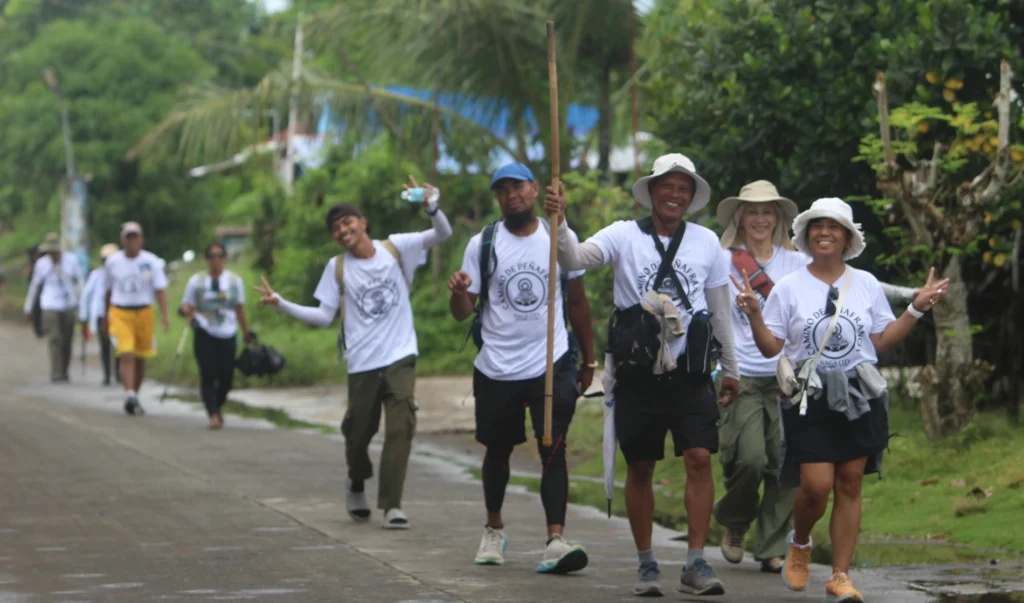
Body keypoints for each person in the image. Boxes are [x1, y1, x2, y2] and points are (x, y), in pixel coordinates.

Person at [733, 197, 947, 602]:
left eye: (833, 227)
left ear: (847, 238)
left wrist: (916, 310)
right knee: (816, 487)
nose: (824, 233)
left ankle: (841, 576)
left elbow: (881, 341)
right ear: (806, 235)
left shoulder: (864, 283)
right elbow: (770, 348)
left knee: (849, 484)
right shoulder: (789, 287)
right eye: (817, 226)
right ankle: (800, 540)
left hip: (859, 395)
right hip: (809, 397)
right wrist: (755, 316)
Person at [545, 153, 739, 597]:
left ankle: (695, 563)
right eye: (666, 186)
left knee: (700, 457)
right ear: (651, 192)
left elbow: (719, 308)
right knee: (641, 465)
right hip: (637, 371)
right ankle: (647, 564)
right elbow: (572, 257)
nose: (674, 195)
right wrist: (561, 219)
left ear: (691, 197)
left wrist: (730, 368)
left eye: (683, 188)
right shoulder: (623, 235)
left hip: (691, 371)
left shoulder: (707, 242)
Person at [255, 176, 452, 529]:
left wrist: (431, 207)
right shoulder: (338, 267)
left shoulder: (396, 247)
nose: (342, 231)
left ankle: (391, 505)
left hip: (401, 356)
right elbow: (323, 315)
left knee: (400, 428)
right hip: (362, 362)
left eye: (347, 222)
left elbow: (443, 233)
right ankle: (356, 480)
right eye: (335, 228)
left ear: (363, 222)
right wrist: (281, 303)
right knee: (357, 434)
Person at [447, 162, 596, 574]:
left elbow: (578, 301)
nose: (511, 195)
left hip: (550, 362)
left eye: (518, 187)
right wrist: (459, 293)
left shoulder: (558, 235)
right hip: (497, 366)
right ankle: (494, 529)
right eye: (502, 190)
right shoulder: (483, 243)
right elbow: (462, 312)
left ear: (534, 189)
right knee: (498, 450)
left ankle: (555, 539)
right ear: (497, 197)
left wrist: (589, 359)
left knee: (553, 448)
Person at [95, 222, 170, 416]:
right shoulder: (113, 262)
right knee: (126, 352)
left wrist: (164, 315)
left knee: (140, 357)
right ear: (122, 240)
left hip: (144, 312)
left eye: (135, 237)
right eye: (128, 238)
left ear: (141, 240)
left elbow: (160, 290)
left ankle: (134, 395)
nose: (131, 242)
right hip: (120, 312)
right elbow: (107, 292)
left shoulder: (151, 262)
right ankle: (129, 393)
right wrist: (105, 317)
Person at [181, 242, 255, 430]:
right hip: (204, 331)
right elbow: (187, 305)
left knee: (226, 376)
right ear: (206, 259)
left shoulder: (234, 281)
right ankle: (213, 414)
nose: (216, 260)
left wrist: (246, 332)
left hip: (228, 332)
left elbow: (239, 308)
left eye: (220, 255)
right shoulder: (196, 281)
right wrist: (188, 314)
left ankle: (217, 405)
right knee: (207, 373)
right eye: (212, 256)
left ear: (225, 258)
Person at [23, 233, 85, 383]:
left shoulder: (71, 261)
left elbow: (80, 282)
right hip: (49, 304)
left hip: (69, 304)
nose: (53, 254)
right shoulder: (42, 264)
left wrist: (83, 305)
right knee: (54, 338)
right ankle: (56, 372)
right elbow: (34, 286)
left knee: (67, 339)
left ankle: (64, 370)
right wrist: (28, 307)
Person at [80, 243, 122, 386]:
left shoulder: (120, 274)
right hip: (100, 314)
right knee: (105, 346)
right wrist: (84, 317)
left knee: (119, 345)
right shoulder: (96, 275)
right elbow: (86, 295)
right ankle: (107, 374)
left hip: (118, 313)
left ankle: (119, 373)